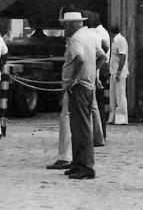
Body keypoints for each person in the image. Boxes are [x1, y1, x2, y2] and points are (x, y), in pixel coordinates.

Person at [60, 10, 106, 180]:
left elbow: (79, 59)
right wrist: (92, 71)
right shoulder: (90, 35)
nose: (65, 28)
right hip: (87, 85)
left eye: (66, 24)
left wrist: (73, 79)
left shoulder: (76, 39)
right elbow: (103, 56)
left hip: (78, 86)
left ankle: (86, 165)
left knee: (81, 127)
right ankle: (78, 162)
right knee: (78, 125)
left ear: (72, 25)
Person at [108, 22, 130, 125]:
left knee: (120, 95)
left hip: (119, 72)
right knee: (113, 95)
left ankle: (122, 118)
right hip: (113, 72)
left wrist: (119, 72)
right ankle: (112, 117)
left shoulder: (121, 40)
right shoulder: (114, 41)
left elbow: (123, 56)